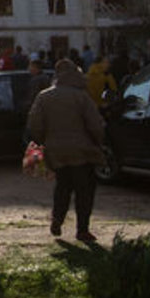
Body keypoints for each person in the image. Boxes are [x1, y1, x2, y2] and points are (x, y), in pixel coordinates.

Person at [26, 59, 107, 243]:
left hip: (56, 150)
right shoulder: (81, 96)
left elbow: (34, 124)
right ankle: (82, 230)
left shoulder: (44, 96)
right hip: (82, 151)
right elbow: (95, 124)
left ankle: (57, 219)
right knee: (84, 190)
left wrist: (43, 140)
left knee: (63, 186)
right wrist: (98, 141)